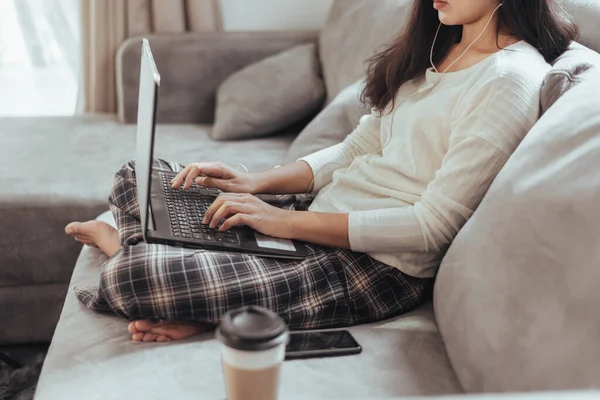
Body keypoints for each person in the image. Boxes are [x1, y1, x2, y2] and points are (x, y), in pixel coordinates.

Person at [66, 0, 578, 343]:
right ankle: (196, 292)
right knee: (140, 175)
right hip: (318, 217)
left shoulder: (509, 80)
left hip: (372, 264)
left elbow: (431, 227)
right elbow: (355, 148)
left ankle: (137, 254)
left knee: (135, 274)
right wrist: (255, 184)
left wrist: (278, 223)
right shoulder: (439, 49)